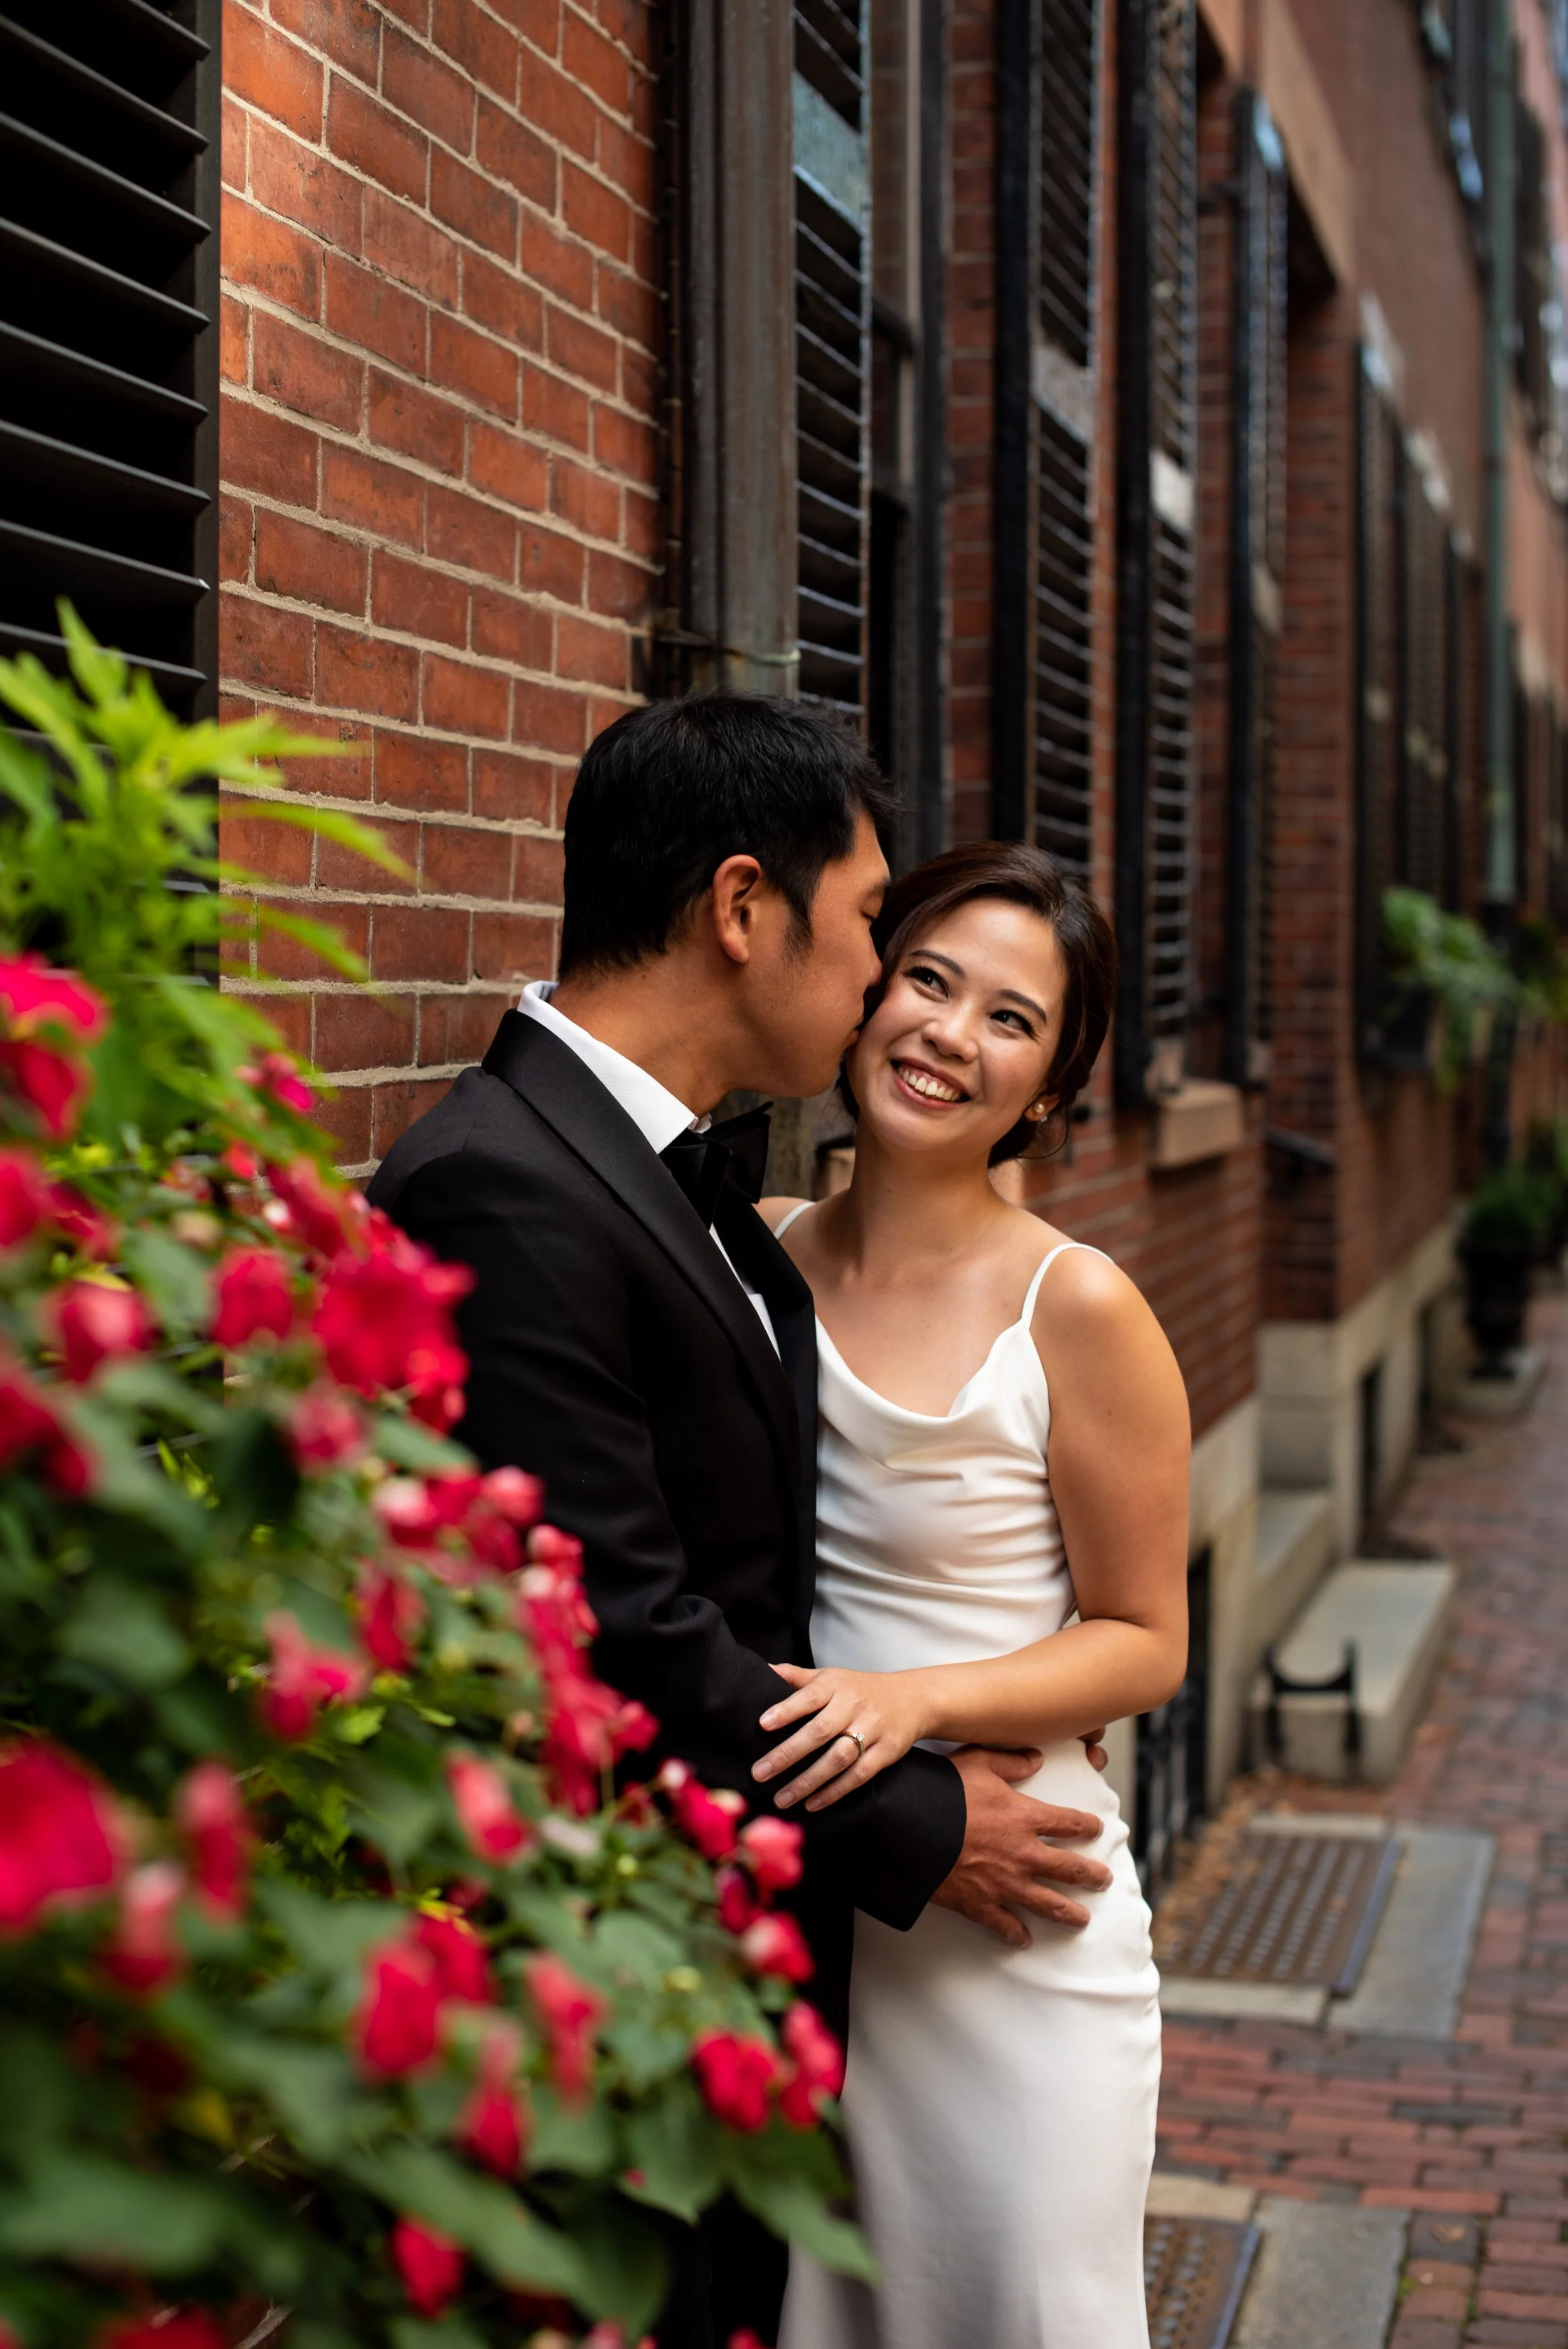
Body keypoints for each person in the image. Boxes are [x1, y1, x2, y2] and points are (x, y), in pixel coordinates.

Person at [366, 699, 1115, 2349]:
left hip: (781, 1946)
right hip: (633, 1976)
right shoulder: (507, 1184)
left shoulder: (665, 1177)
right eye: (866, 925)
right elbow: (622, 1633)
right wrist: (930, 1827)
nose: (874, 977)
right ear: (738, 909)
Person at [763, 840, 1190, 2349]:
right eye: (928, 981)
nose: (948, 1035)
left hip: (1018, 1940)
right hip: (819, 1920)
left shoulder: (1072, 1304)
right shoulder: (751, 1264)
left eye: (1009, 1019)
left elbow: (1145, 1640)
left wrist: (912, 1704)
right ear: (867, 988)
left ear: (1051, 1090)